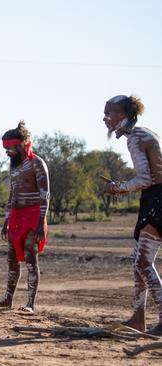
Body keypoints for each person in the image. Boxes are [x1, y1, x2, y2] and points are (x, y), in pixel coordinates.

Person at [101, 95, 162, 335]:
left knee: (143, 262)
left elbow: (145, 179)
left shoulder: (136, 138)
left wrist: (116, 187)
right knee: (137, 259)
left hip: (157, 201)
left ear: (122, 115)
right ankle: (138, 317)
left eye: (109, 114)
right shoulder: (142, 134)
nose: (105, 119)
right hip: (155, 199)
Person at [0, 121, 49, 314]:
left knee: (31, 258)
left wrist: (40, 222)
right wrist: (7, 219)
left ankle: (30, 303)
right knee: (12, 258)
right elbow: (12, 193)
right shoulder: (14, 166)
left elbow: (45, 195)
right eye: (5, 148)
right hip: (16, 216)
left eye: (9, 147)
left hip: (33, 215)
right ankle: (7, 299)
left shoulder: (37, 163)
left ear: (22, 144)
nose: (6, 151)